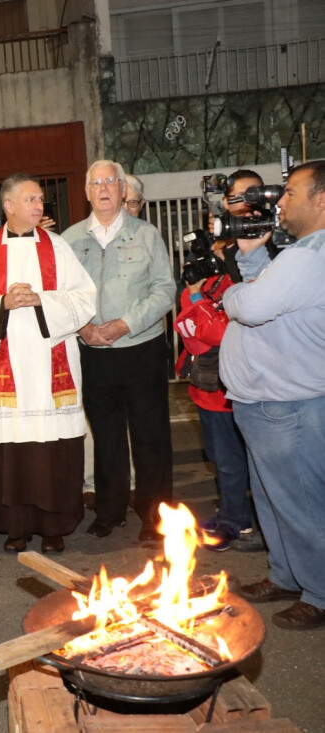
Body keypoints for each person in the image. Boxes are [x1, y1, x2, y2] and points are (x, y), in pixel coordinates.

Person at [0, 175, 97, 553]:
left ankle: (55, 526)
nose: (39, 206)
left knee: (53, 449)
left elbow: (86, 298)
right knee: (11, 449)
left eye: (40, 199)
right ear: (9, 206)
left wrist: (42, 302)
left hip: (52, 363)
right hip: (6, 365)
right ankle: (15, 527)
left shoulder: (58, 247)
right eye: (31, 199)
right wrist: (1, 303)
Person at [223, 160, 325, 631]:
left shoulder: (311, 255)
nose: (279, 202)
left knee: (302, 504)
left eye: (290, 194)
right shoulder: (299, 254)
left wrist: (231, 297)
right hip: (267, 403)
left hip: (289, 404)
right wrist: (250, 257)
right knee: (273, 500)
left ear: (320, 200)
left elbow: (255, 304)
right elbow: (268, 291)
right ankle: (287, 575)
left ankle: (320, 592)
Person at [62, 159, 176, 542]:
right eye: (96, 183)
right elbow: (61, 295)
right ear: (87, 191)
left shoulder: (147, 235)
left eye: (111, 181)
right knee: (106, 436)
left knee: (150, 436)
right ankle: (109, 511)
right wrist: (83, 327)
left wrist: (125, 323)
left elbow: (164, 290)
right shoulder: (70, 238)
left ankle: (155, 517)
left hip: (140, 348)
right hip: (93, 351)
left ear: (124, 190)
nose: (104, 188)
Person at [174, 171, 269, 553]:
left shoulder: (256, 264)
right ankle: (233, 512)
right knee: (220, 457)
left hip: (236, 381)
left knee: (237, 460)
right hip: (205, 383)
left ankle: (238, 522)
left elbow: (219, 330)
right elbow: (185, 321)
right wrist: (196, 303)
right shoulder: (212, 263)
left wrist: (197, 305)